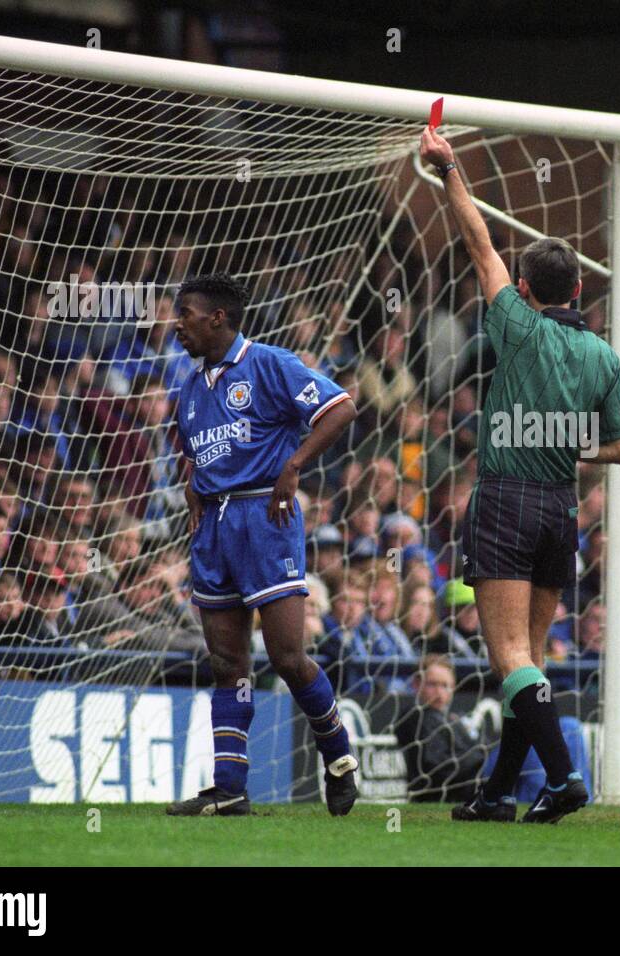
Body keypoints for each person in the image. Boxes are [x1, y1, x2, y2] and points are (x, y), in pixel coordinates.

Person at [419, 125, 620, 824]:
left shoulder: (515, 323)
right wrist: (579, 451)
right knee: (530, 660)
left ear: (529, 290)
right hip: (560, 510)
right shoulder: (603, 356)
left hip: (507, 500)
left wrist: (449, 167)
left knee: (511, 655)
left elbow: (481, 243)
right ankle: (495, 796)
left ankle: (566, 778)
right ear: (578, 287)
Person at [165, 273, 361, 818]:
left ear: (217, 318)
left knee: (287, 656)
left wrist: (294, 465)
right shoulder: (188, 389)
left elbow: (341, 407)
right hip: (214, 529)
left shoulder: (270, 364)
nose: (176, 324)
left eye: (185, 314)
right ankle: (229, 788)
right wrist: (192, 485)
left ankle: (339, 759)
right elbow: (197, 450)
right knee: (226, 662)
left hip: (264, 518)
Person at [394, 655, 485, 803]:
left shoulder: (453, 718)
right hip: (443, 794)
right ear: (417, 684)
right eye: (432, 684)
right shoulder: (417, 717)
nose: (439, 691)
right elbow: (438, 767)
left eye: (445, 685)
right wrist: (481, 756)